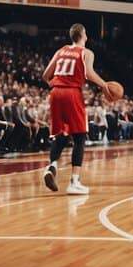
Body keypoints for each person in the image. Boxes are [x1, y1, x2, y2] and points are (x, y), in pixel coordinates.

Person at [41, 23, 110, 195]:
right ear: (83, 35)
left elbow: (45, 75)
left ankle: (51, 166)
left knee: (62, 134)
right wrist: (105, 85)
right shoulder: (86, 52)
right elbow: (89, 73)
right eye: (86, 34)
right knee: (79, 137)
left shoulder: (61, 50)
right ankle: (74, 182)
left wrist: (56, 87)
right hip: (72, 93)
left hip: (55, 93)